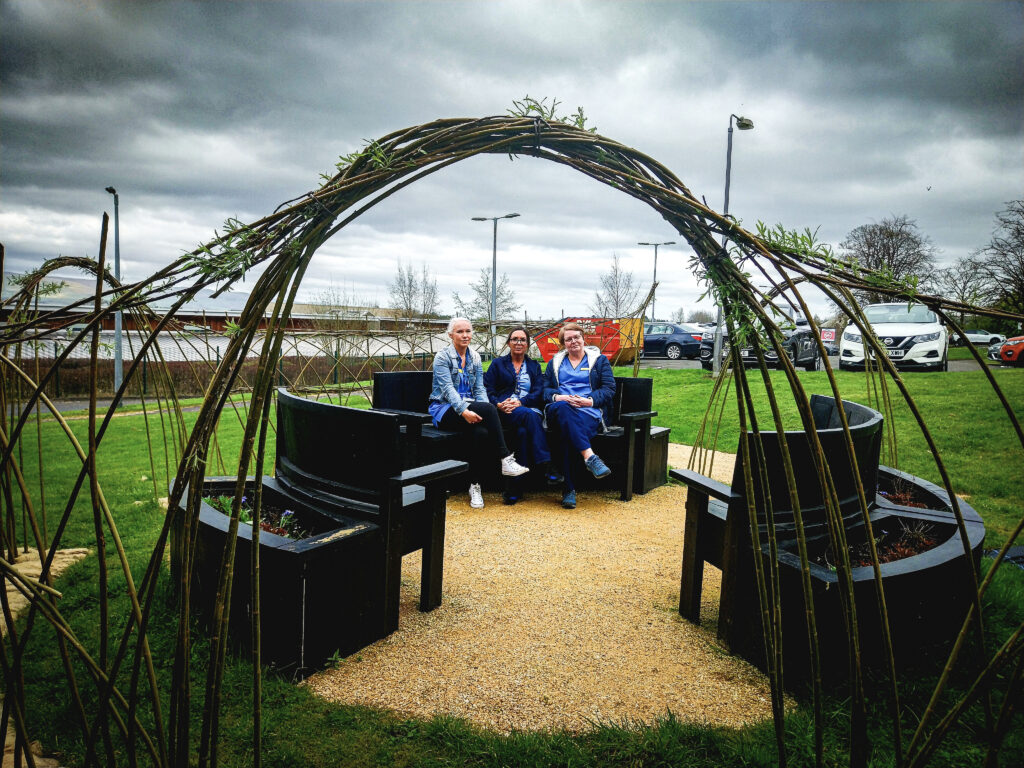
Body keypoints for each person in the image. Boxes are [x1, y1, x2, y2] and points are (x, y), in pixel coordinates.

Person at [429, 317, 528, 509]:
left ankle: (474, 486)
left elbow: (480, 389)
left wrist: (483, 410)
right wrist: (464, 411)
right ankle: (506, 459)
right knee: (489, 409)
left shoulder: (474, 357)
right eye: (460, 331)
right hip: (444, 409)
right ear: (451, 335)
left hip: (471, 407)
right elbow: (448, 390)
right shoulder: (442, 358)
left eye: (468, 331)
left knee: (481, 433)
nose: (465, 335)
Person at [483, 327, 562, 505]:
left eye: (522, 340)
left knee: (522, 433)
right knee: (530, 418)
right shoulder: (498, 364)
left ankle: (513, 490)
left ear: (527, 344)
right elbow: (487, 389)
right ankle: (546, 464)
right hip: (503, 412)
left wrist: (521, 402)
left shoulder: (534, 366)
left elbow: (538, 392)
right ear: (508, 342)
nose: (519, 343)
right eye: (515, 339)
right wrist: (498, 404)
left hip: (527, 409)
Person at [543, 322, 615, 509]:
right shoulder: (555, 363)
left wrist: (588, 401)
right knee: (564, 409)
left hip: (588, 412)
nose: (573, 341)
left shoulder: (599, 361)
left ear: (584, 339)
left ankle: (568, 490)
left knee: (566, 434)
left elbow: (608, 389)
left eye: (577, 337)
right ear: (563, 343)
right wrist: (559, 397)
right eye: (568, 339)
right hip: (559, 409)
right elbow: (545, 390)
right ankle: (590, 457)